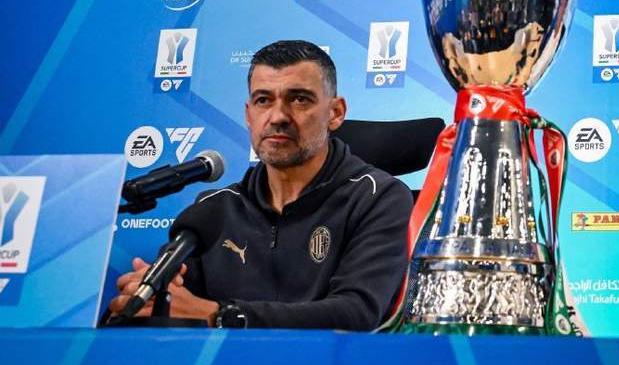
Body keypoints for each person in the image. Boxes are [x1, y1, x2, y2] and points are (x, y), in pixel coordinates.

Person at [109, 40, 414, 329]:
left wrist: (219, 315)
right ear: (248, 114)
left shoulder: (378, 197)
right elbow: (176, 304)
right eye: (263, 100)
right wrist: (150, 297)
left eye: (299, 99)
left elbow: (355, 313)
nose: (278, 116)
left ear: (335, 113)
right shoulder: (212, 211)